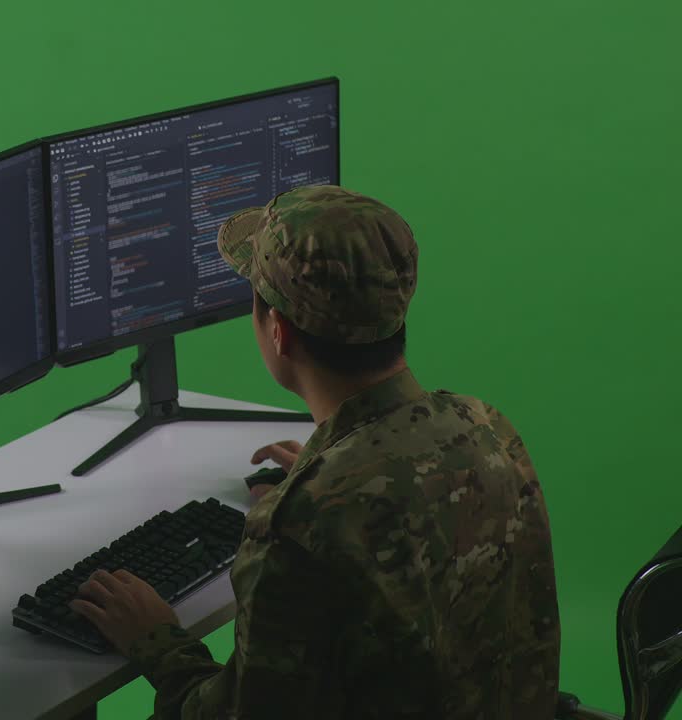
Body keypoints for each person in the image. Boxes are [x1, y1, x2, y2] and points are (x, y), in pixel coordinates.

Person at [69, 185, 561, 719]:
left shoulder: (303, 525)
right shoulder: (488, 427)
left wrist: (157, 640)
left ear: (277, 330)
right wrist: (332, 468)